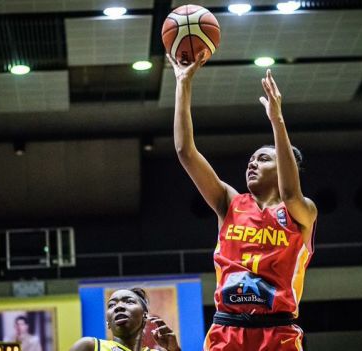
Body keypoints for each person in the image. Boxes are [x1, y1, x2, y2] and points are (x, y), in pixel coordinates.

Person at [167, 50, 318, 351]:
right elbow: (186, 153)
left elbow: (289, 193)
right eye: (251, 160)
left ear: (285, 168)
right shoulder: (229, 202)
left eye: (263, 159)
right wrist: (182, 84)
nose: (252, 164)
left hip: (277, 331)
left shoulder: (302, 211)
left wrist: (277, 121)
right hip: (228, 329)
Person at [70, 288, 180, 351]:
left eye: (129, 301)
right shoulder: (89, 346)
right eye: (112, 305)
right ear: (108, 322)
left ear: (145, 316)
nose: (118, 307)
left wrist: (175, 350)